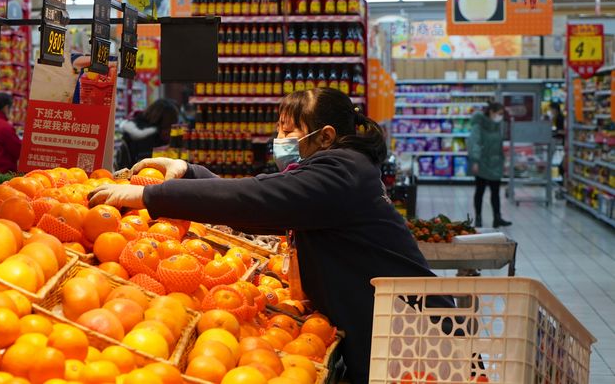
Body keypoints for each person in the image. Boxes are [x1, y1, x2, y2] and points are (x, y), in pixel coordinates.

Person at [89, 88, 442, 384]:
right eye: (279, 129)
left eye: (289, 131)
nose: (280, 140)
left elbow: (256, 199)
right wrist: (189, 173)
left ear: (325, 137)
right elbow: (264, 201)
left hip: (414, 334)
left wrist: (151, 196)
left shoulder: (341, 173)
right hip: (387, 328)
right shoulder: (344, 169)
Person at [467, 102, 511, 228]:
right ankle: (478, 218)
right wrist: (475, 160)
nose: (500, 116)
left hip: (496, 163)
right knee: (480, 191)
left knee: (495, 192)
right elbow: (474, 143)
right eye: (499, 114)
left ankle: (497, 217)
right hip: (482, 162)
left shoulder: (496, 126)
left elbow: (498, 145)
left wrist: (503, 160)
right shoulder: (479, 125)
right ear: (491, 112)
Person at [119, 99, 180, 166]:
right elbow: (146, 161)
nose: (171, 132)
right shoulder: (148, 137)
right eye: (169, 127)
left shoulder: (138, 123)